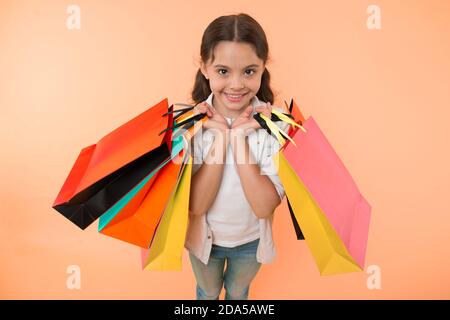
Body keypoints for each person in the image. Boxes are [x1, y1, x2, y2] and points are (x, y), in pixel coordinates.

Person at [184, 13, 289, 300]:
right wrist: (219, 139)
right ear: (204, 67)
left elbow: (264, 207)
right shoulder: (189, 126)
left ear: (262, 67)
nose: (236, 84)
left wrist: (239, 138)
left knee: (239, 292)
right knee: (207, 292)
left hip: (250, 243)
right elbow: (196, 205)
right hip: (203, 242)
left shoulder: (279, 126)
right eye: (222, 71)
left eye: (249, 71)